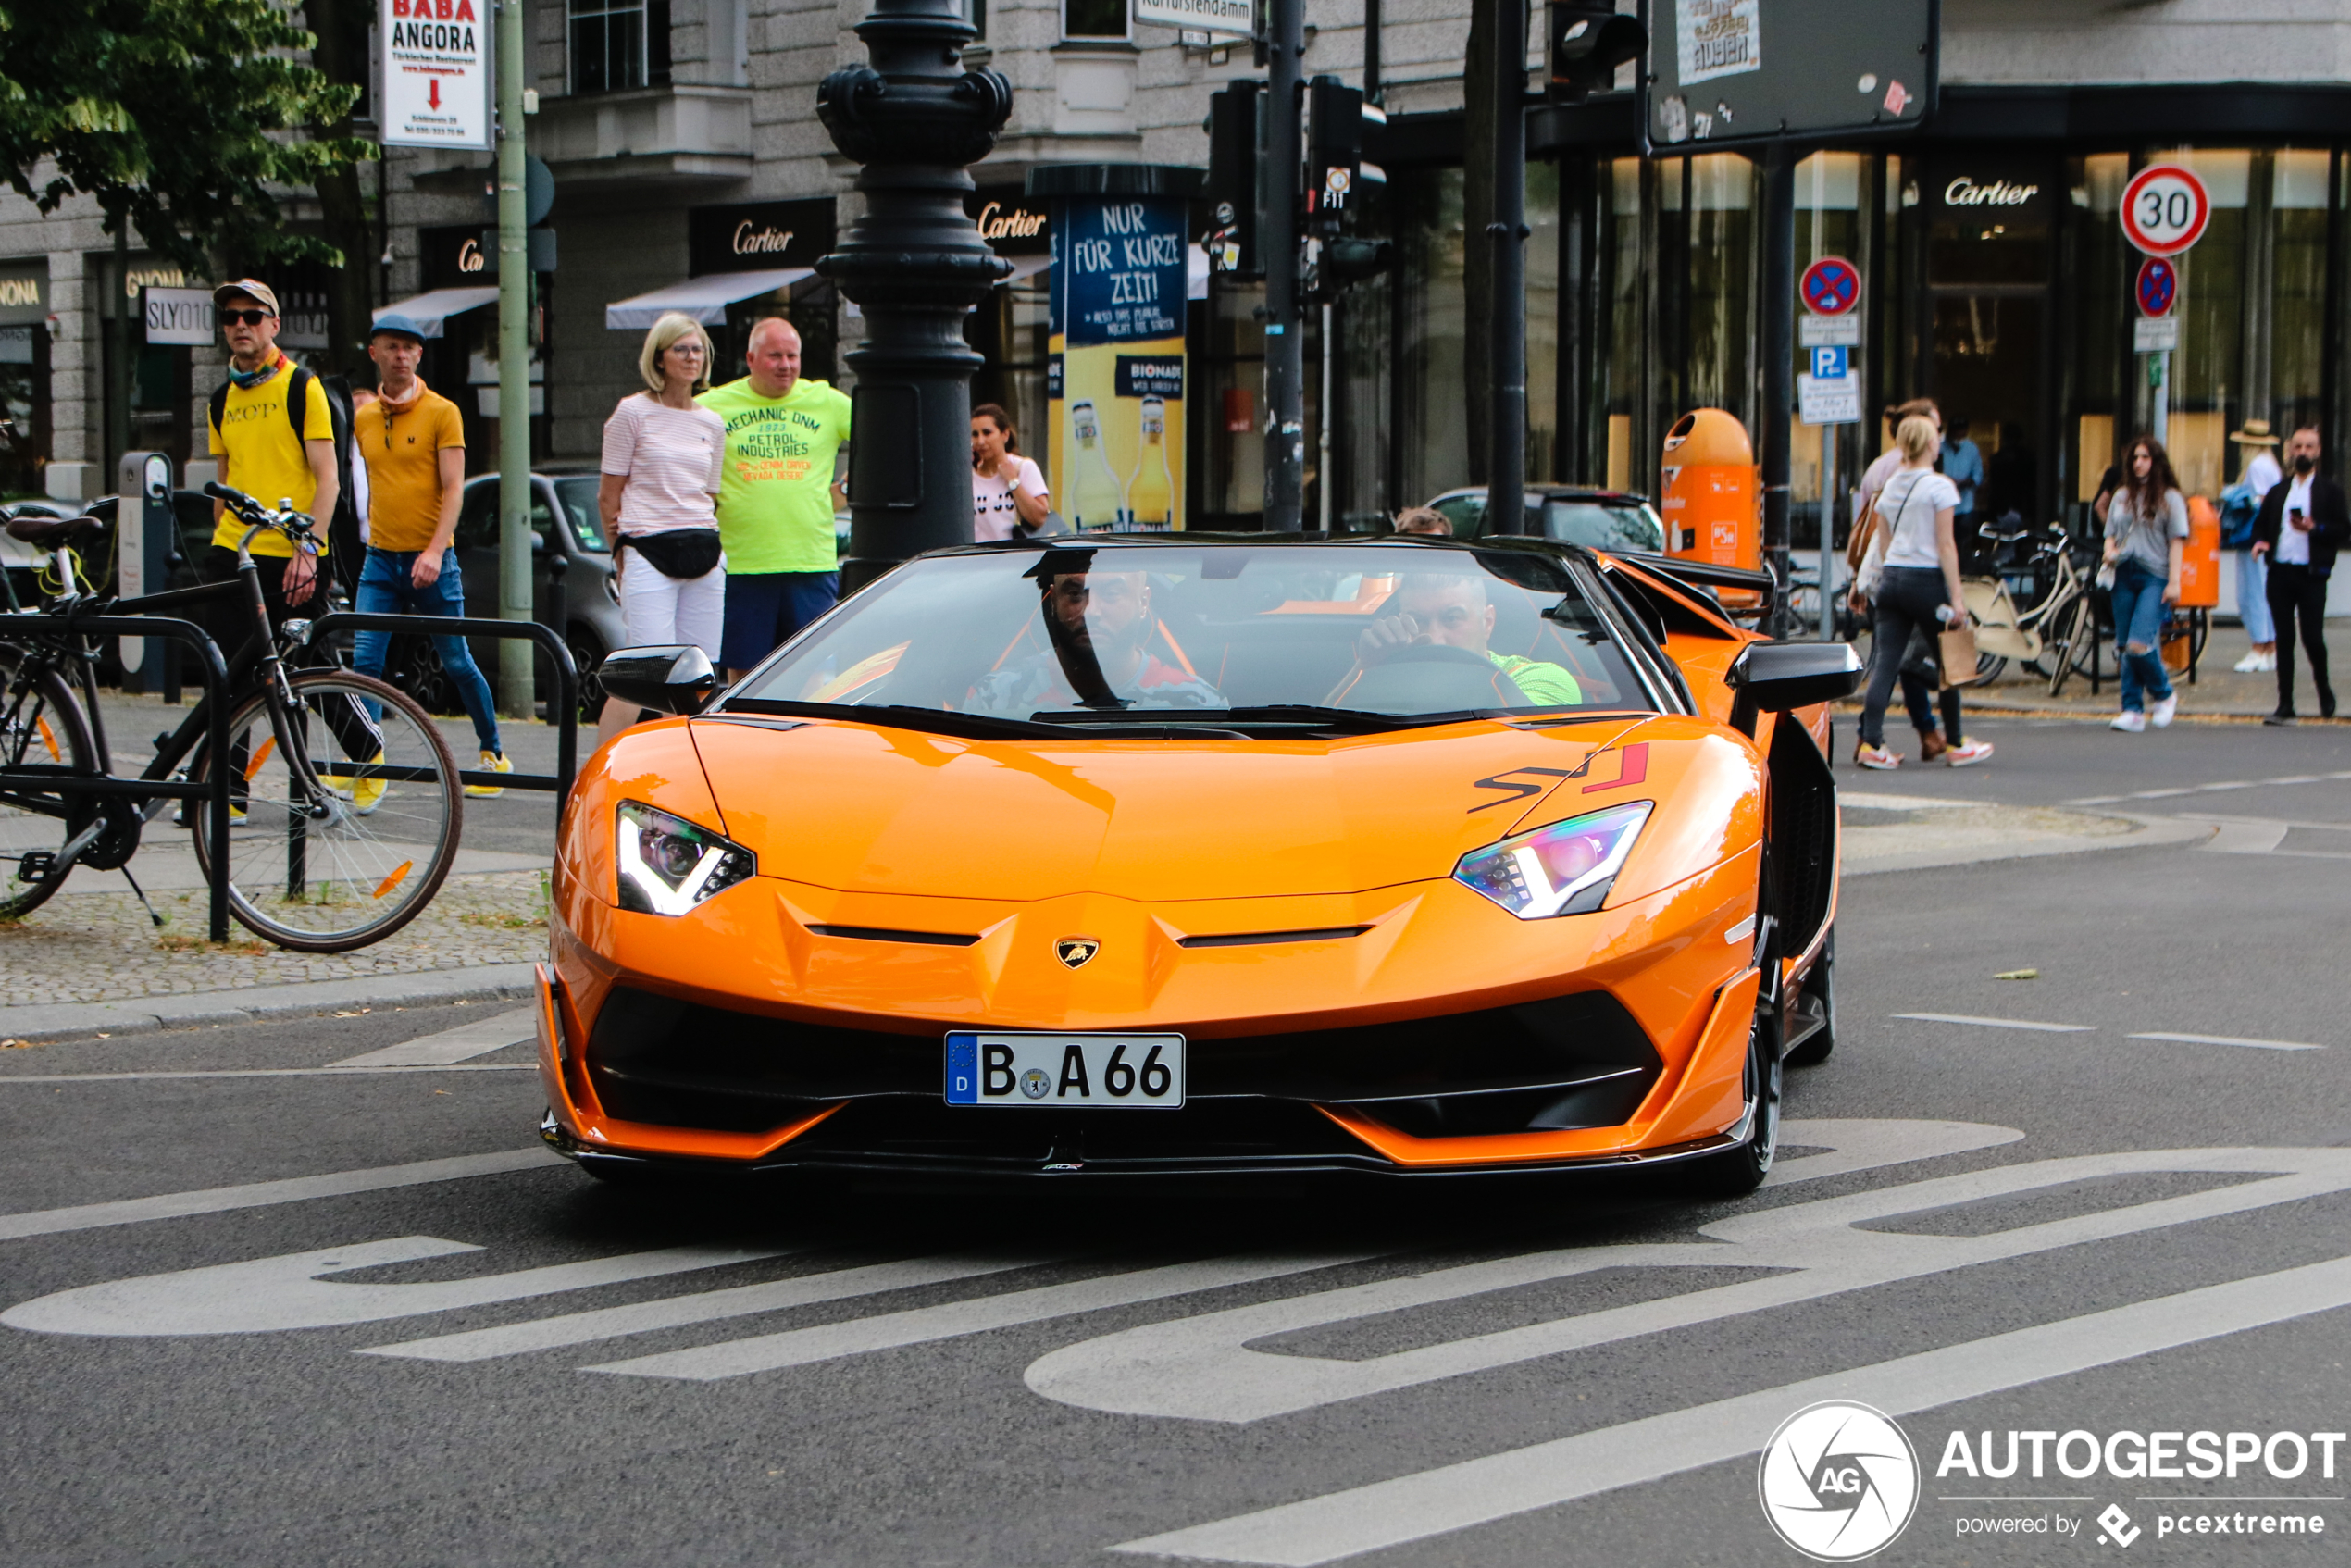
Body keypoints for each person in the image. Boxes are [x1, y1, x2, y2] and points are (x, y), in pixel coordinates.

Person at [346, 312, 511, 800]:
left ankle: (493, 752)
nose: (401, 356)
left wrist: (436, 550)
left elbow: (454, 488)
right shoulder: (364, 418)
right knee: (364, 662)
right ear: (375, 353)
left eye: (410, 348)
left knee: (456, 661)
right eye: (392, 347)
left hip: (432, 558)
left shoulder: (443, 412)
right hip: (380, 558)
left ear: (420, 355)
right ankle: (369, 762)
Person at [697, 317, 852, 679]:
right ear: (750, 359)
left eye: (792, 356)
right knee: (745, 675)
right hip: (742, 564)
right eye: (775, 356)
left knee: (815, 671)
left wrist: (846, 490)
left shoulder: (825, 401)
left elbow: (882, 432)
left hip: (811, 562)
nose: (786, 365)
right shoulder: (712, 406)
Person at [599, 312, 728, 748]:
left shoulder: (712, 422)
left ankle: (684, 767)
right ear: (659, 357)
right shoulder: (632, 413)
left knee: (700, 675)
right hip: (647, 547)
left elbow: (709, 493)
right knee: (644, 671)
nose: (691, 358)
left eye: (698, 349)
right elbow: (608, 495)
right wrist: (619, 554)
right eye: (681, 349)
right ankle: (596, 777)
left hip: (704, 549)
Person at [203, 279, 337, 635]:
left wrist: (309, 551)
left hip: (292, 553)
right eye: (231, 317)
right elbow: (224, 479)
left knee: (305, 675)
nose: (240, 325)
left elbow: (329, 479)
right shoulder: (220, 400)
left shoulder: (302, 387)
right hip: (233, 551)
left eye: (252, 315)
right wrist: (220, 539)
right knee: (229, 675)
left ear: (275, 324)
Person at [1853, 415, 1978, 770]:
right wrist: (1957, 597)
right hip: (1926, 581)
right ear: (1928, 445)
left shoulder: (1891, 487)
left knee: (1885, 664)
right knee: (1949, 661)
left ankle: (1872, 744)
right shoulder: (1940, 487)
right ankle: (1956, 741)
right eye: (1936, 437)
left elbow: (1885, 544)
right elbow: (1946, 545)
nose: (1939, 442)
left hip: (1891, 579)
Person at [965, 566, 1225, 714]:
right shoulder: (991, 702)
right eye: (1076, 594)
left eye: (1112, 593)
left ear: (1144, 602)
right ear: (1053, 602)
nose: (1092, 612)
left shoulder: (1199, 708)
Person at [1349, 571, 1582, 705]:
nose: (1435, 638)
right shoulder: (1386, 680)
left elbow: (1521, 743)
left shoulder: (1544, 679)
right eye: (1418, 621)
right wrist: (1366, 670)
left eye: (1452, 618)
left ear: (1488, 622)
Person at [2250, 424, 2347, 724]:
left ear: (2318, 452)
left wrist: (2314, 528)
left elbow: (2343, 530)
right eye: (2298, 447)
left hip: (2312, 575)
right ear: (2290, 451)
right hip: (2280, 572)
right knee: (2284, 637)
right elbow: (2261, 524)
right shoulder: (2279, 491)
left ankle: (2323, 689)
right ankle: (2285, 704)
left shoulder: (2329, 491)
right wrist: (2260, 542)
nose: (2303, 452)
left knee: (2312, 637)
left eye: (2309, 447)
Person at [2101, 435, 2189, 733]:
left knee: (2140, 642)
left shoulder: (2170, 498)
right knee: (2125, 645)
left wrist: (2174, 582)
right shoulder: (2121, 496)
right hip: (2123, 571)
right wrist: (2109, 551)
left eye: (2145, 458)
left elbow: (2177, 541)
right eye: (2135, 458)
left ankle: (2164, 694)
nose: (2139, 463)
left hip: (2155, 574)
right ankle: (2132, 708)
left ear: (2156, 461)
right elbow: (2110, 532)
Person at [2226, 419, 2283, 673]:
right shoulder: (2270, 464)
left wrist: (2234, 497)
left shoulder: (2257, 466)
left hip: (2252, 537)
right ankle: (2270, 647)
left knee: (2251, 593)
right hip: (2268, 537)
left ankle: (2258, 646)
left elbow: (2258, 501)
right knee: (2263, 591)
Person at [971, 404, 1049, 541]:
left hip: (1016, 558)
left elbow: (1039, 518)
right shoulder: (968, 477)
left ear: (1005, 434)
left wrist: (1013, 480)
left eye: (987, 433)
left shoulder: (1024, 467)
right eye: (975, 435)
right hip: (979, 559)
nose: (980, 441)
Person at [1942, 417, 1984, 528]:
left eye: (1961, 430)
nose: (1958, 433)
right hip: (1942, 505)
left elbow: (1977, 475)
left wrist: (1965, 482)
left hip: (1964, 505)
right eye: (1955, 430)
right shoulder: (1940, 447)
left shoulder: (1971, 448)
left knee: (1963, 540)